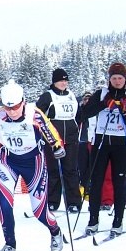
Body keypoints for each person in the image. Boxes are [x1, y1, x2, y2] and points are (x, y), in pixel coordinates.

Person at [0, 79, 66, 251]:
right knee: (5, 205)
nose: (12, 112)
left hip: (33, 162)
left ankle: (55, 231)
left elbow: (50, 131)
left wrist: (57, 146)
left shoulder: (34, 114)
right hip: (8, 161)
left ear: (23, 102)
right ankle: (9, 244)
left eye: (15, 107)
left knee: (39, 212)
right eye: (8, 107)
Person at [81, 62, 126, 237]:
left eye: (120, 78)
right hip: (101, 142)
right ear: (109, 79)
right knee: (96, 181)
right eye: (114, 78)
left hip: (121, 144)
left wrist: (123, 111)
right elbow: (85, 112)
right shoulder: (101, 93)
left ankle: (118, 221)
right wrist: (103, 104)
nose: (117, 81)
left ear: (125, 79)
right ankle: (93, 220)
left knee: (119, 182)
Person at [35, 67, 82, 213]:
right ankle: (52, 202)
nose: (63, 83)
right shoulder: (48, 96)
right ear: (54, 82)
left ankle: (74, 202)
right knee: (53, 170)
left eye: (65, 80)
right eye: (60, 80)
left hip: (71, 139)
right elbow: (37, 115)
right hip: (52, 139)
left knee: (71, 170)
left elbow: (79, 115)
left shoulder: (71, 96)